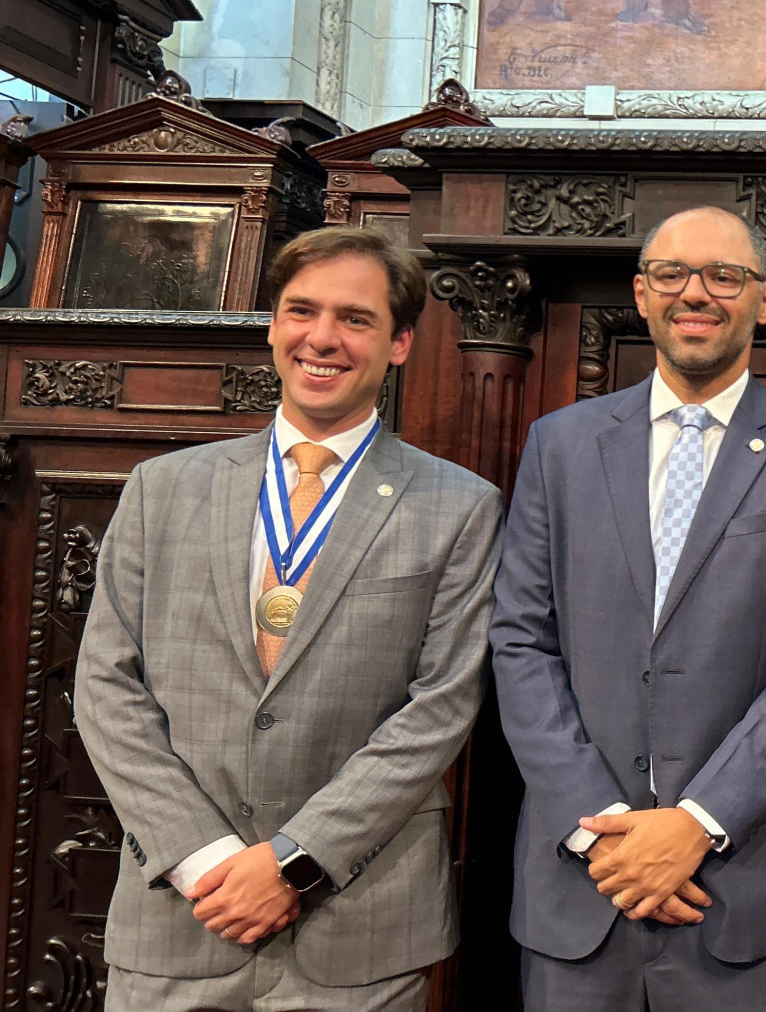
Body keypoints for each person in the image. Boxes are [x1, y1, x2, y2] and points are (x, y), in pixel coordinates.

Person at [75, 226, 502, 1011]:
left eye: (356, 318)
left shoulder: (460, 506)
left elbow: (441, 707)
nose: (323, 338)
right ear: (274, 325)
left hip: (359, 926)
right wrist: (203, 859)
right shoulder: (162, 488)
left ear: (400, 342)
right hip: (183, 910)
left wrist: (296, 862)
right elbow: (105, 686)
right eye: (301, 311)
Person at [492, 205, 766, 1011]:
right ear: (641, 293)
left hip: (741, 886)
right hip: (580, 876)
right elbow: (521, 642)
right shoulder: (559, 444)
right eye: (672, 274)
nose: (695, 293)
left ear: (764, 300)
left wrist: (698, 821)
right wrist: (601, 834)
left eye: (724, 276)